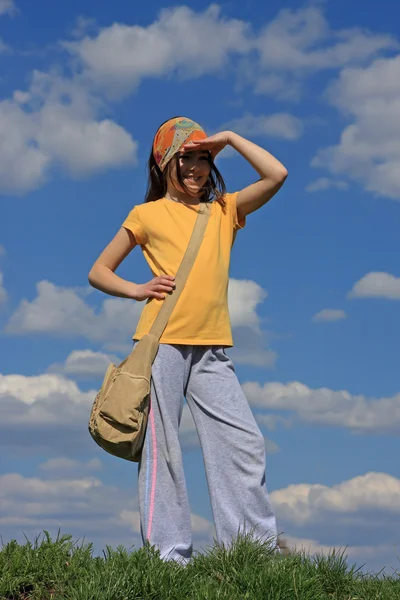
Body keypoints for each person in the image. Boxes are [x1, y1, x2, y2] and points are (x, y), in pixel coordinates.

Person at [88, 116, 288, 566]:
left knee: (243, 442)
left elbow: (277, 175)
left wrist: (231, 139)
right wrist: (137, 289)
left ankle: (252, 554)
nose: (198, 167)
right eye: (187, 158)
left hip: (213, 348)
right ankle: (169, 559)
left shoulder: (223, 210)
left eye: (204, 158)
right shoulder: (147, 214)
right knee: (163, 451)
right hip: (161, 345)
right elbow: (98, 271)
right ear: (165, 165)